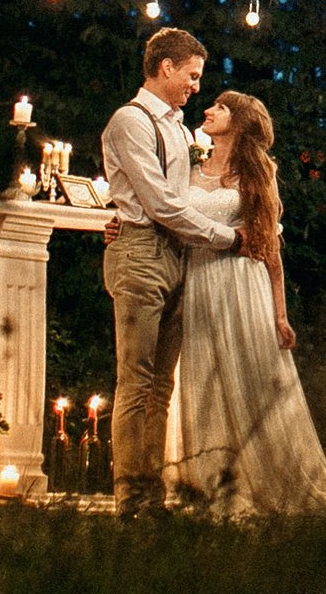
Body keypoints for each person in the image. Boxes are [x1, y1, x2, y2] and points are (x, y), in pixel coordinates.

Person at [159, 90, 326, 517]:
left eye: (220, 108)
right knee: (203, 377)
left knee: (250, 376)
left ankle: (265, 480)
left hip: (242, 283)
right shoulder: (185, 168)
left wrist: (280, 314)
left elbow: (270, 246)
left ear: (239, 123)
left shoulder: (256, 175)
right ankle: (207, 485)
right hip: (197, 280)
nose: (208, 109)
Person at [99, 27, 251, 515]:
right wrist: (227, 237)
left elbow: (184, 193)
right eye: (192, 75)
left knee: (162, 384)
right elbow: (161, 203)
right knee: (136, 380)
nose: (196, 86)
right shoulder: (131, 121)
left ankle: (153, 495)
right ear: (165, 67)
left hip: (179, 254)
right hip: (142, 253)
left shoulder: (182, 129)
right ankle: (130, 496)